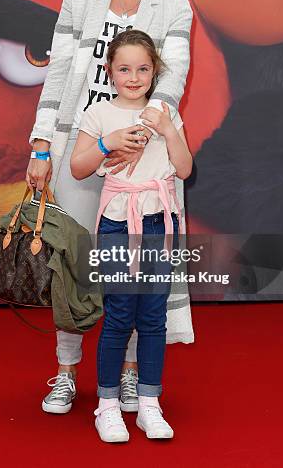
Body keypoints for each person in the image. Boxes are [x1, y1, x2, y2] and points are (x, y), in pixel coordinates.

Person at [27, 0, 193, 415]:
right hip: (82, 146)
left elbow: (174, 78)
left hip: (145, 160)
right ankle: (66, 371)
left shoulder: (175, 8)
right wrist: (40, 142)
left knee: (137, 274)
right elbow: (56, 75)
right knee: (75, 267)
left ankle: (126, 377)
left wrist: (137, 138)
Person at [71, 29, 193, 442]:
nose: (134, 77)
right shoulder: (100, 114)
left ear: (154, 71)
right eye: (124, 68)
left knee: (153, 318)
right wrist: (109, 141)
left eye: (143, 69)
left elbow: (185, 169)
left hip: (159, 222)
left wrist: (168, 129)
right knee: (120, 315)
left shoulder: (164, 114)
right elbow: (78, 167)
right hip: (117, 226)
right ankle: (107, 405)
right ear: (109, 72)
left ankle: (149, 404)